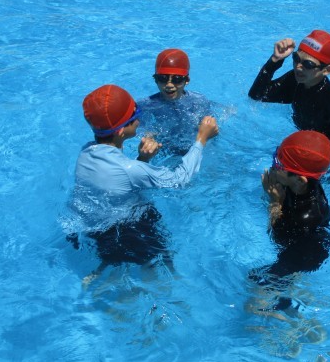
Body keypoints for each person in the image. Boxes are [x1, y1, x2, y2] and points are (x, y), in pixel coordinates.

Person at [70, 84, 219, 280]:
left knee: (117, 258)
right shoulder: (130, 169)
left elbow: (117, 181)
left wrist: (142, 160)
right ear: (121, 131)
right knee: (162, 264)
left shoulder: (87, 151)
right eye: (134, 117)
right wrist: (201, 139)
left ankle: (103, 268)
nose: (139, 121)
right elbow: (179, 180)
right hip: (126, 230)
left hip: (93, 230)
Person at [250, 130, 330, 312]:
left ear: (299, 181)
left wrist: (275, 203)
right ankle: (294, 300)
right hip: (313, 241)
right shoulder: (304, 186)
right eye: (277, 157)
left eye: (279, 165)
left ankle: (299, 321)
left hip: (301, 257)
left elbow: (277, 239)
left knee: (254, 304)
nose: (274, 167)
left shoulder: (304, 217)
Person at [248, 30, 330, 158]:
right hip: (302, 140)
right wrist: (275, 60)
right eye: (296, 58)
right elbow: (257, 95)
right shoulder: (295, 80)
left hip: (321, 151)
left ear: (327, 70)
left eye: (308, 64)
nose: (298, 67)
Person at [138, 48, 214, 156]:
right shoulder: (145, 105)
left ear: (187, 80)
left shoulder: (199, 101)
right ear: (155, 80)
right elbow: (146, 131)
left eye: (177, 79)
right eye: (163, 78)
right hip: (165, 151)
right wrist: (149, 139)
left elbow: (210, 129)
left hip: (195, 149)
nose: (169, 85)